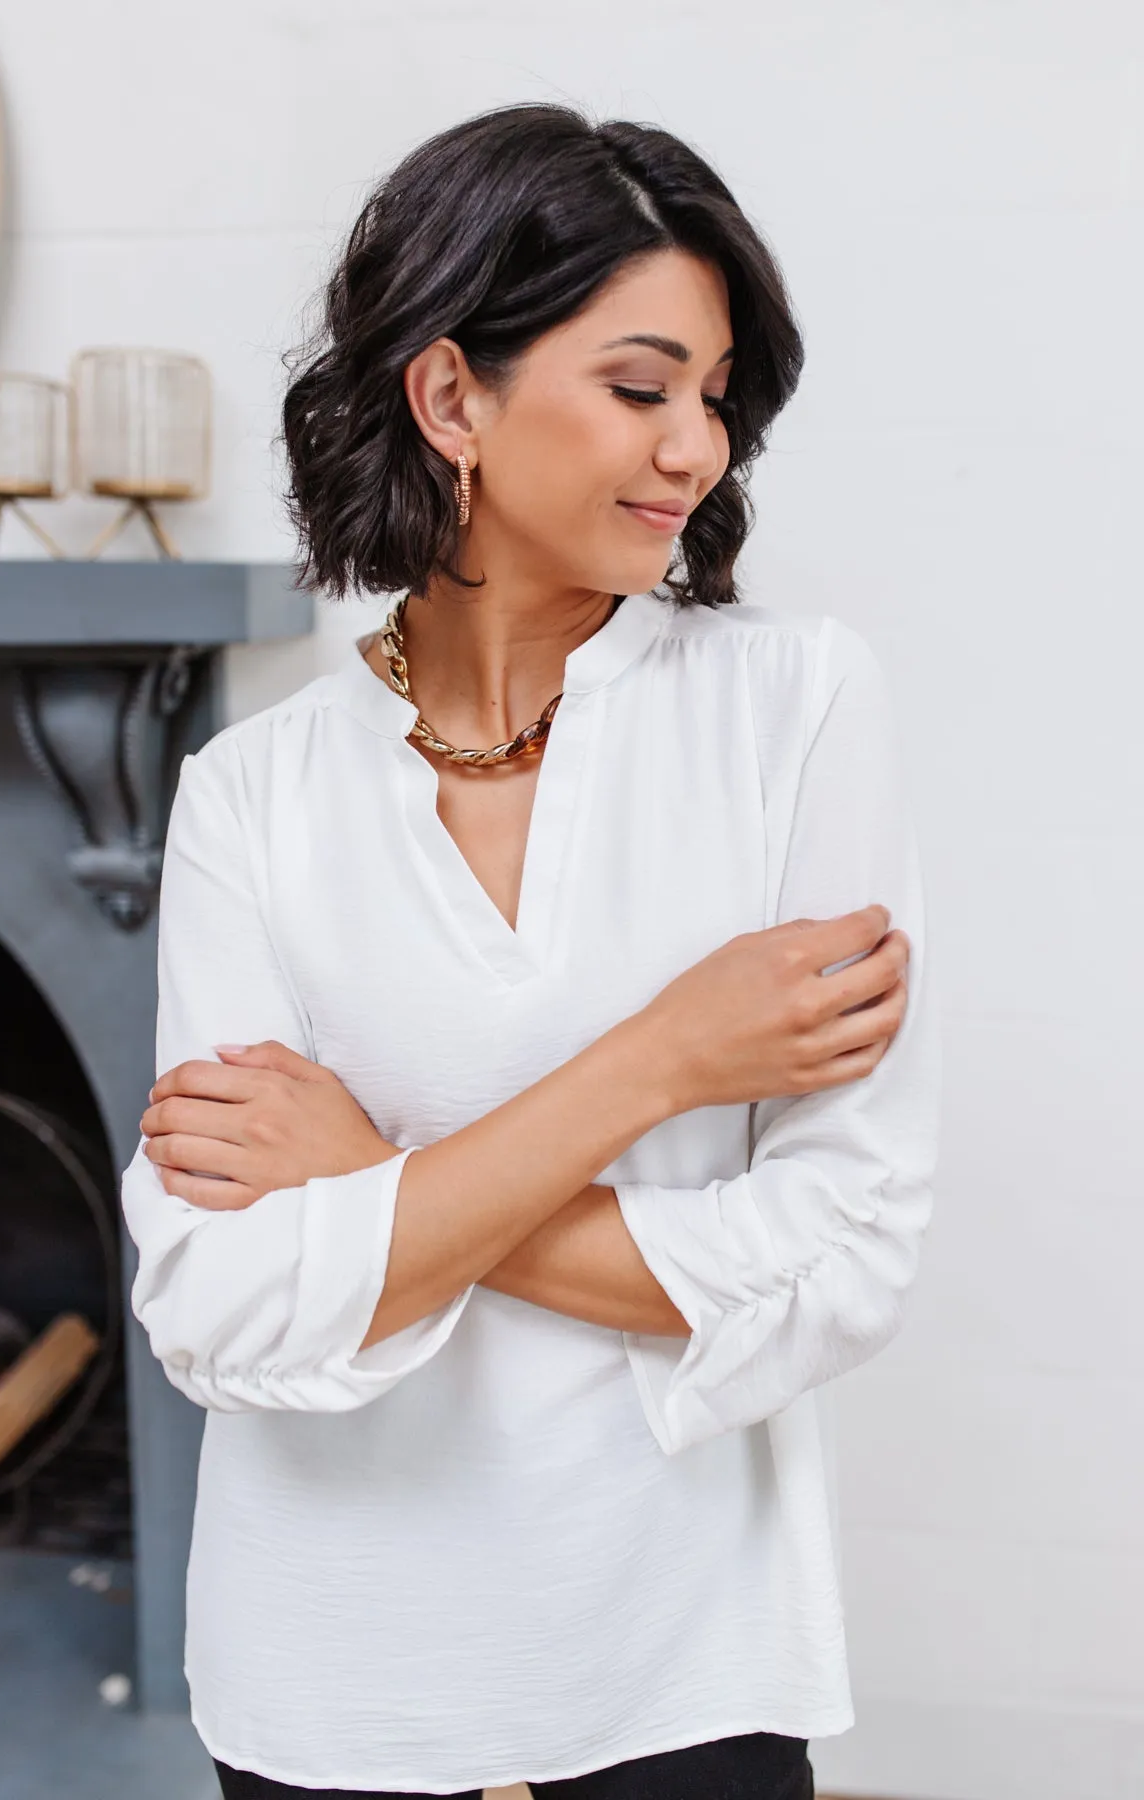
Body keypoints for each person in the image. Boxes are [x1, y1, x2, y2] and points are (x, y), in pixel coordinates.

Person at [122, 102, 939, 1800]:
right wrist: (662, 1065)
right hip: (327, 1688)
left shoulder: (796, 710)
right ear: (450, 398)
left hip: (681, 1675)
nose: (695, 450)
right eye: (642, 388)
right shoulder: (249, 799)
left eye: (716, 400)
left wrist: (378, 1186)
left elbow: (840, 1255)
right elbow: (215, 1310)